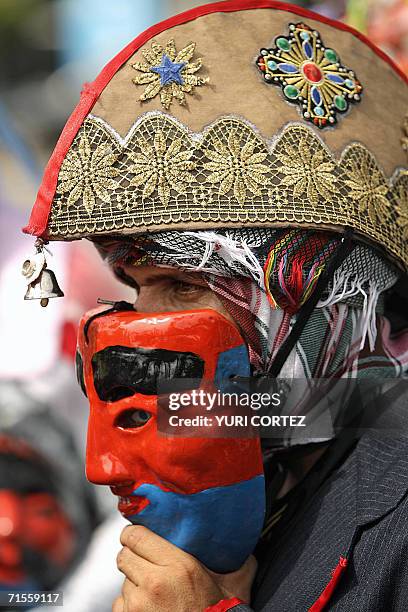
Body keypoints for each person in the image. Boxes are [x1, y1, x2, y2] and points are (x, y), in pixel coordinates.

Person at [22, 1, 408, 610]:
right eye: (135, 290)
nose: (148, 325)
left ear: (326, 296)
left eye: (184, 287)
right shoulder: (255, 490)